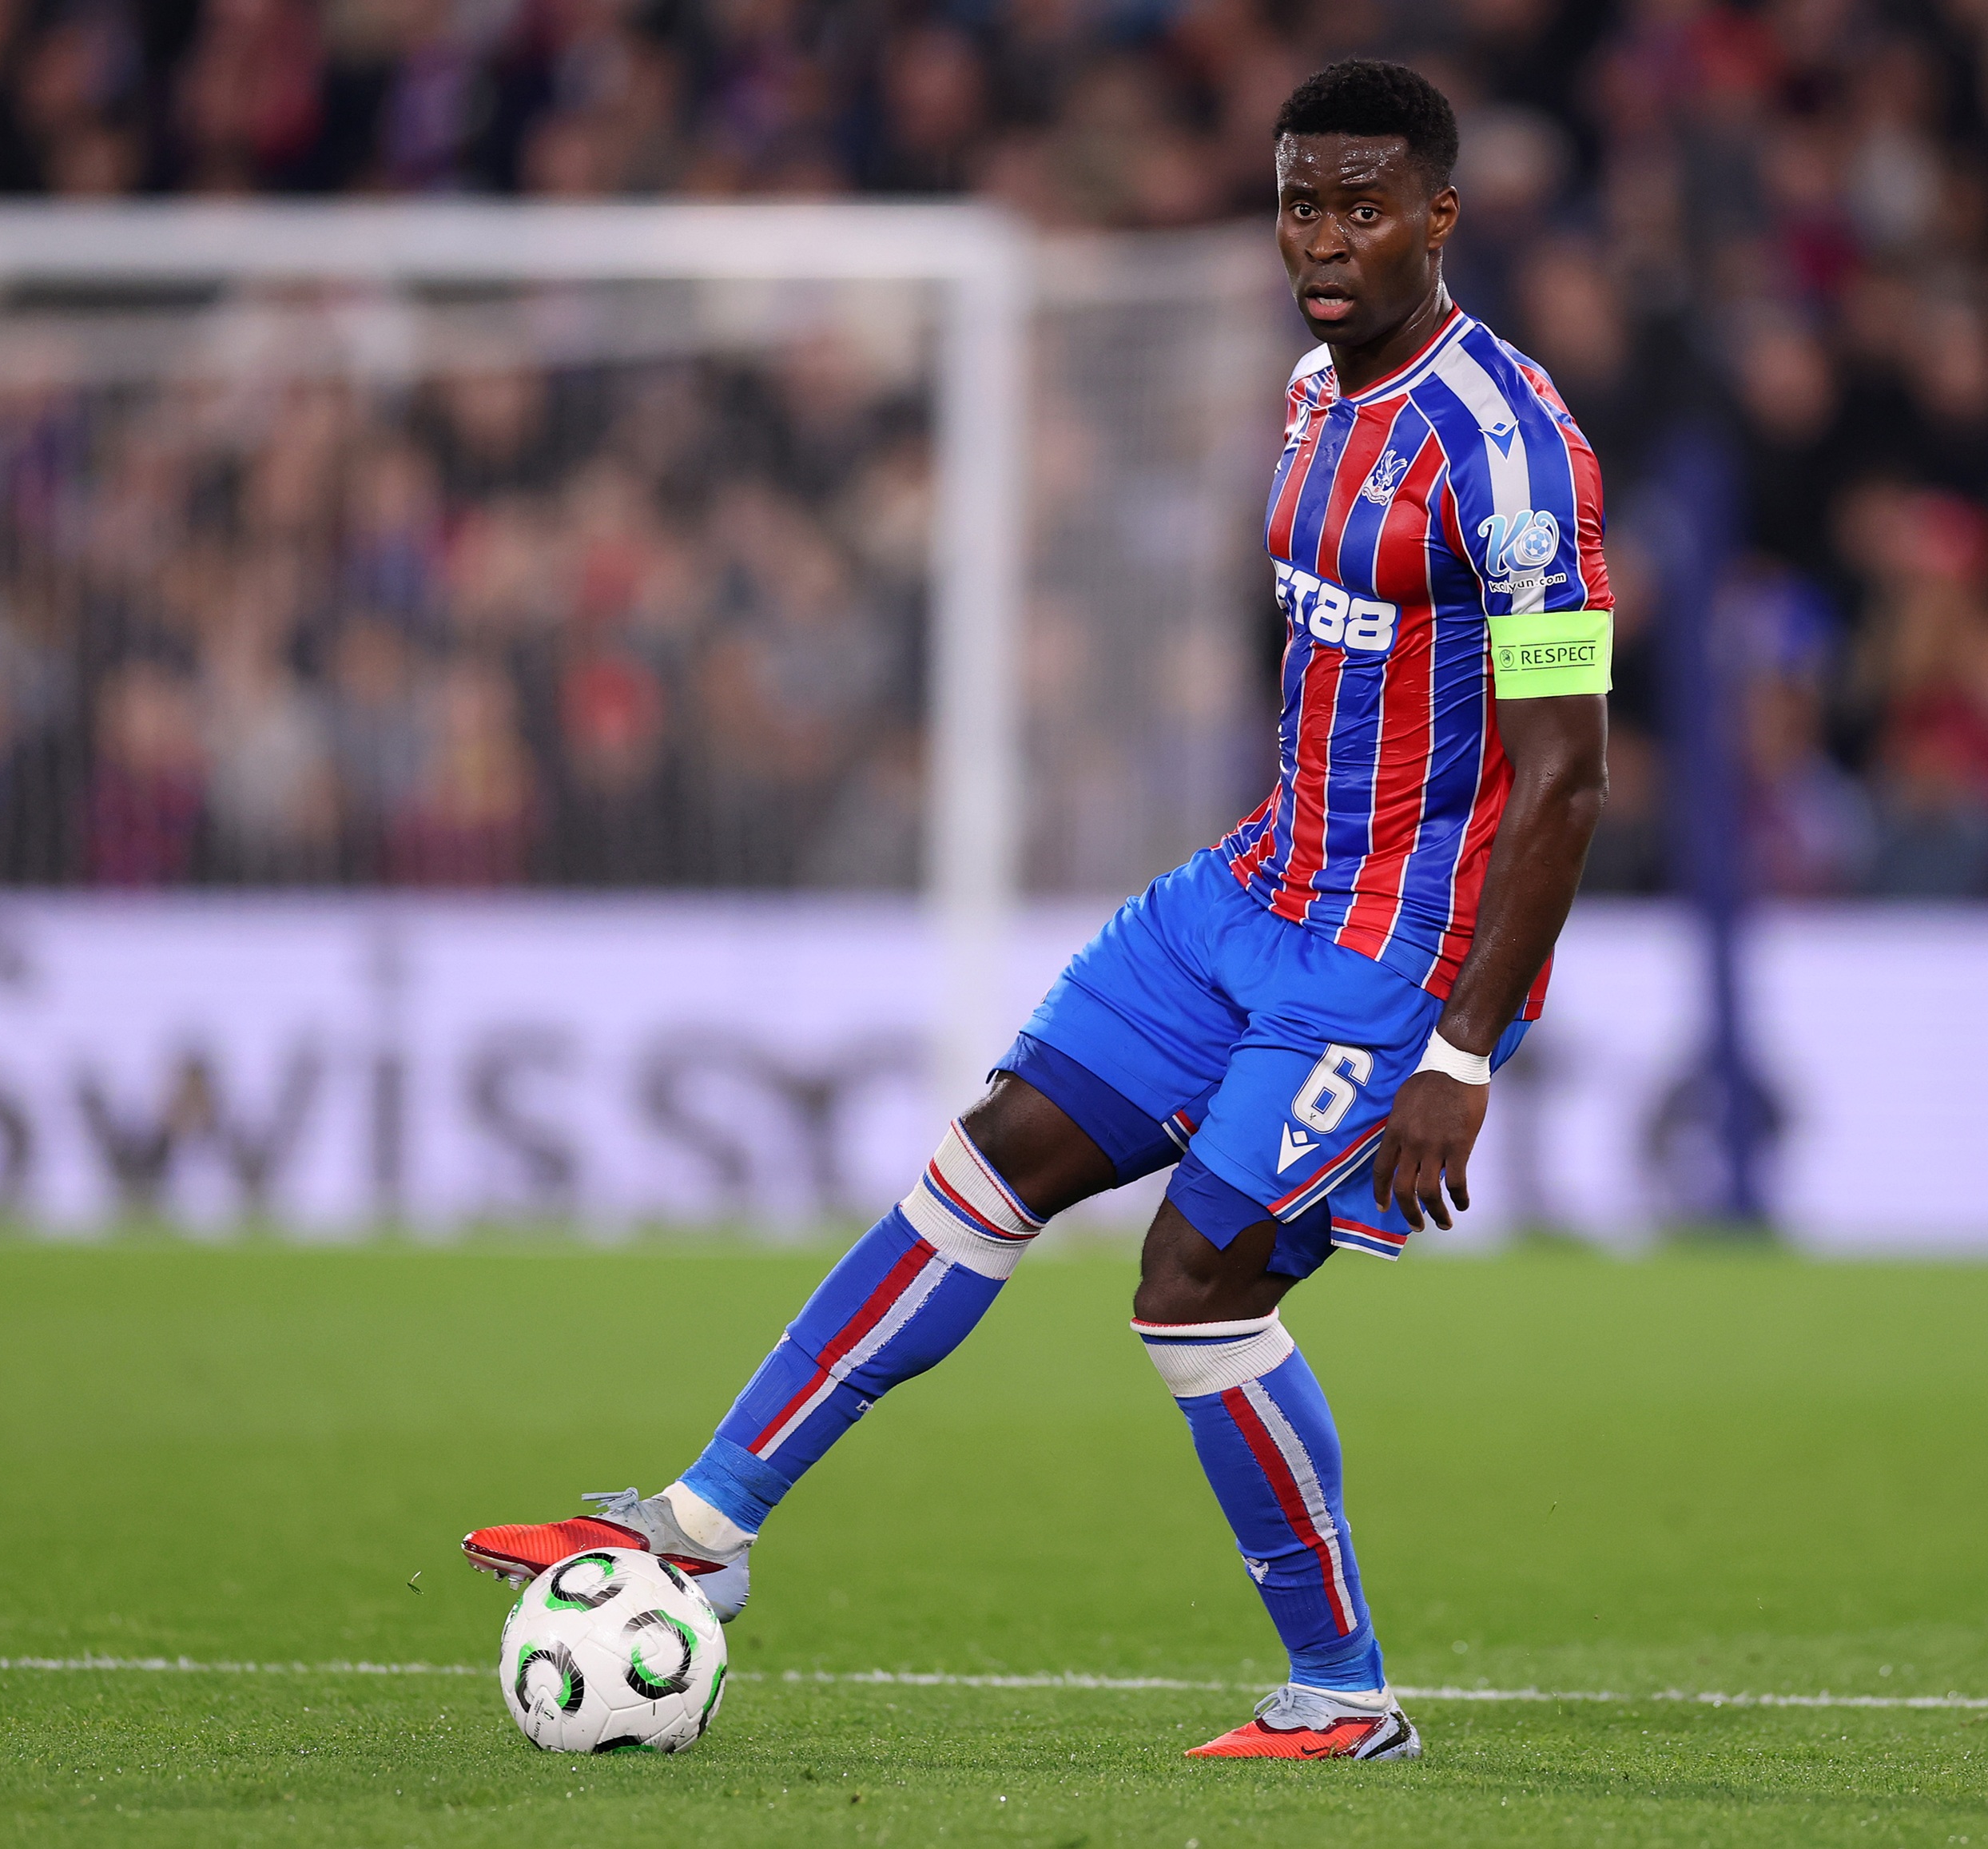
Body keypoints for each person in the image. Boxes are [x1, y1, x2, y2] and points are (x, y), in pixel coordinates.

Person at [462, 58, 1612, 1763]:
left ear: (1441, 217)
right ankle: (699, 1527)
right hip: (1248, 894)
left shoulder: (1513, 458)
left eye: (1364, 206)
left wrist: (1462, 1049)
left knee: (1192, 1281)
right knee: (989, 1154)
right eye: (1301, 200)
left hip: (1388, 956)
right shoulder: (1309, 392)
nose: (1324, 236)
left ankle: (1347, 1692)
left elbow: (1568, 776)